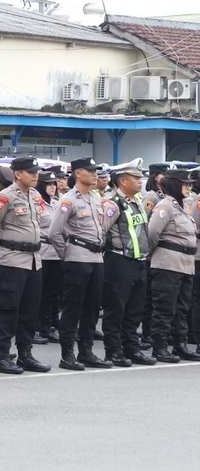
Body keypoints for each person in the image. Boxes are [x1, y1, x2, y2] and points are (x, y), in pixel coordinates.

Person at [47, 157, 113, 371]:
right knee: (73, 308)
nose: (95, 175)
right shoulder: (69, 200)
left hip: (97, 258)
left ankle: (86, 351)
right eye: (90, 171)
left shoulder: (95, 197)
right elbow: (54, 232)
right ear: (77, 173)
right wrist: (67, 255)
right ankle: (67, 354)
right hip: (77, 257)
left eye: (95, 171)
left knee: (92, 308)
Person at [0, 156, 51, 374]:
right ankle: (2, 356)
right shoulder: (6, 196)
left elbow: (41, 222)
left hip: (34, 260)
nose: (35, 176)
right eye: (31, 172)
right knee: (8, 310)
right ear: (18, 174)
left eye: (36, 172)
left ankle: (25, 354)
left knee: (30, 310)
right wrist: (1, 248)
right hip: (11, 259)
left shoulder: (35, 195)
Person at [97, 159, 154, 367]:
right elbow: (101, 230)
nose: (140, 181)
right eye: (135, 178)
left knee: (135, 308)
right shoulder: (112, 203)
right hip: (119, 261)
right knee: (116, 308)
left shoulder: (136, 200)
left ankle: (131, 348)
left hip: (138, 261)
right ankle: (113, 351)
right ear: (122, 181)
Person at [146, 167, 199, 363]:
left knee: (182, 308)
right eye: (185, 184)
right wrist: (155, 255)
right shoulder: (165, 206)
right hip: (167, 264)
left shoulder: (184, 206)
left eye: (189, 185)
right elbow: (152, 234)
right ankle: (159, 347)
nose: (188, 188)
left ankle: (180, 345)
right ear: (175, 185)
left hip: (186, 264)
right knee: (165, 308)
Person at [37, 169, 64, 342]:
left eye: (54, 184)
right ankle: (42, 326)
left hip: (57, 252)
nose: (52, 187)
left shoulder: (57, 203)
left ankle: (54, 322)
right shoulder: (37, 203)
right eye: (48, 184)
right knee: (43, 293)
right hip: (43, 252)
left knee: (55, 292)